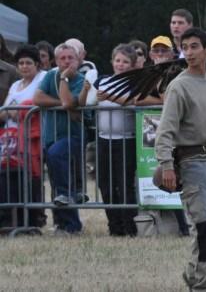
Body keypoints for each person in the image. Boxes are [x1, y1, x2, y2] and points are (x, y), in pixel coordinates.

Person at [155, 28, 206, 291]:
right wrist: (166, 164)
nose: (188, 53)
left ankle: (193, 273)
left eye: (194, 47)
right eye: (184, 47)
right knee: (205, 228)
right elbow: (165, 130)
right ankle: (204, 286)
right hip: (192, 161)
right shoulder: (178, 85)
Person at [79, 43, 138, 236]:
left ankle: (130, 226)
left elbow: (134, 105)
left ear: (132, 65)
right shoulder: (102, 80)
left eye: (125, 62)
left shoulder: (134, 82)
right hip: (104, 140)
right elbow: (88, 103)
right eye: (118, 60)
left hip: (126, 140)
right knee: (105, 183)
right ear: (112, 61)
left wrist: (111, 97)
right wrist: (88, 85)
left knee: (125, 184)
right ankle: (115, 226)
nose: (120, 65)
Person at [135, 35, 190, 236]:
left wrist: (156, 98)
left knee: (181, 178)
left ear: (172, 53)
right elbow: (136, 99)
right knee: (164, 179)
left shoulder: (178, 73)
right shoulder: (147, 74)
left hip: (180, 133)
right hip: (160, 135)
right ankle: (177, 226)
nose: (159, 54)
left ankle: (187, 226)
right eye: (156, 51)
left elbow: (166, 97)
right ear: (150, 54)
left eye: (163, 51)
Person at [33, 43, 85, 235]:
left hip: (72, 135)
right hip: (50, 136)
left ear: (77, 60)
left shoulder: (80, 79)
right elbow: (37, 99)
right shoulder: (49, 76)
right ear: (56, 61)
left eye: (70, 58)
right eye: (62, 58)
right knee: (56, 180)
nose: (66, 62)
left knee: (63, 187)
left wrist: (64, 79)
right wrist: (60, 104)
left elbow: (70, 101)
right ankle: (64, 225)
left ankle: (72, 224)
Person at [0, 45, 47, 228]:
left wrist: (16, 111)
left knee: (31, 180)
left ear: (37, 64)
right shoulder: (15, 85)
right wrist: (13, 112)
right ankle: (11, 221)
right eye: (21, 63)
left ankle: (33, 221)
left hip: (32, 139)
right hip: (11, 140)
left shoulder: (42, 79)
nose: (24, 66)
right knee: (10, 180)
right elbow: (4, 112)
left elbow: (34, 104)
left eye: (29, 63)